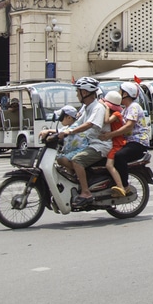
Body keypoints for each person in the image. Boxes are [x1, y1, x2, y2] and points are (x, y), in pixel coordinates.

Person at [54, 77, 110, 207]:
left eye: (78, 92)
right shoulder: (86, 107)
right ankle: (78, 181)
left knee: (77, 160)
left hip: (100, 145)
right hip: (89, 144)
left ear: (85, 92)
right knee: (62, 159)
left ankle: (86, 193)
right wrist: (53, 132)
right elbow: (75, 124)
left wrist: (70, 132)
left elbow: (89, 124)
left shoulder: (98, 108)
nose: (77, 95)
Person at [111, 81, 150, 189]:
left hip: (138, 141)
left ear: (126, 94)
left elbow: (128, 126)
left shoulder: (133, 107)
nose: (118, 93)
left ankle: (124, 185)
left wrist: (110, 135)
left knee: (119, 156)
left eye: (120, 91)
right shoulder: (124, 110)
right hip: (127, 141)